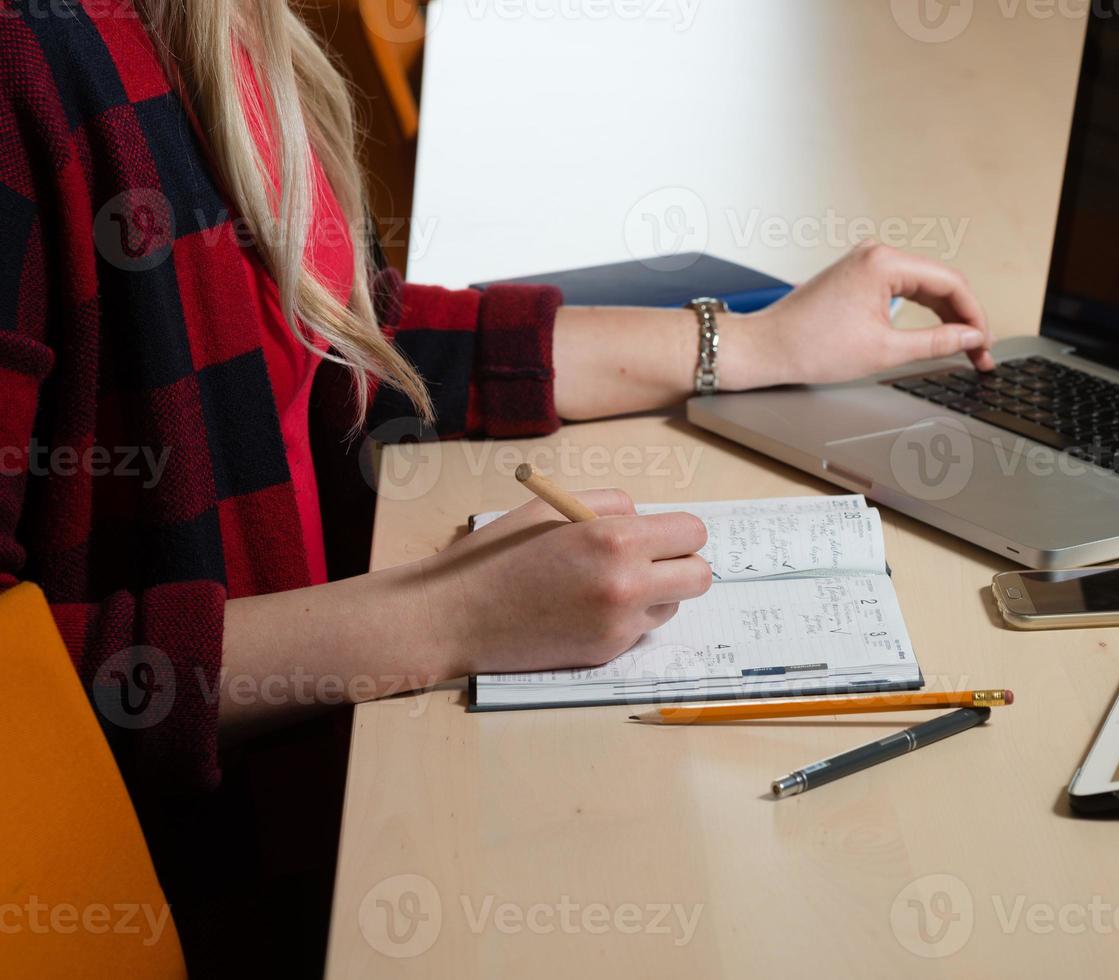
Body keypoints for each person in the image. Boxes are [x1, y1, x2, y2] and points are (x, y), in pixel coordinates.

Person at [0, 1, 993, 970]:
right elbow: (19, 698)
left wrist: (749, 342)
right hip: (216, 884)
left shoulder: (212, 24)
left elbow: (332, 330)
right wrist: (447, 617)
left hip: (322, 789)